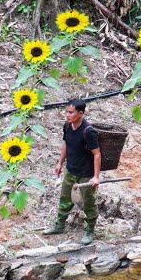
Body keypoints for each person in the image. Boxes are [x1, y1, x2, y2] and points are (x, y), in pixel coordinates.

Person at [44, 99, 101, 244]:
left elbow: (97, 154)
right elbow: (66, 143)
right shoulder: (67, 126)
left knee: (88, 202)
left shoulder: (88, 132)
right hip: (71, 170)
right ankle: (60, 225)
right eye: (66, 112)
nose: (67, 115)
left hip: (86, 173)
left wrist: (95, 177)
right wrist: (60, 163)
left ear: (80, 114)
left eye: (71, 113)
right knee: (65, 198)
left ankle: (90, 230)